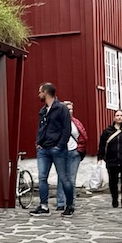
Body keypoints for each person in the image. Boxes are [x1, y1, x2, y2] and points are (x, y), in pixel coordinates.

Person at [31, 83, 76, 216]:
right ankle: (43, 206)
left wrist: (60, 145)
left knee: (63, 178)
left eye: (40, 92)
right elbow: (41, 128)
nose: (39, 95)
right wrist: (39, 142)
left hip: (58, 149)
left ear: (45, 92)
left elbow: (66, 128)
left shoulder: (61, 108)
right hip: (43, 149)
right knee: (42, 177)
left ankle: (69, 205)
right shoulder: (43, 110)